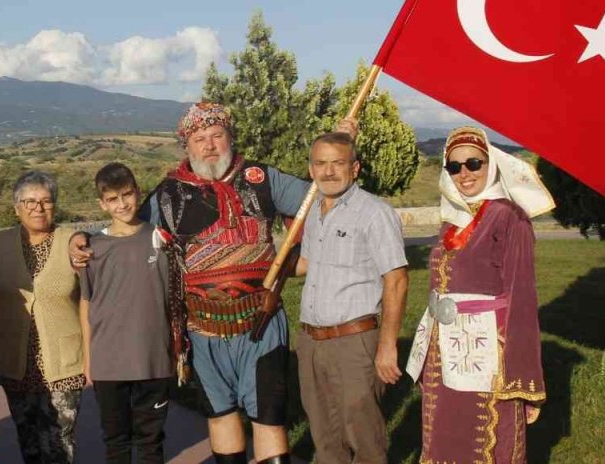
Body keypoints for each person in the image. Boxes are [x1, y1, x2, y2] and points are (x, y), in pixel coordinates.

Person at [71, 102, 354, 464]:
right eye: (199, 139)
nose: (209, 146)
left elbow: (320, 201)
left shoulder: (262, 178)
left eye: (217, 136)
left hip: (261, 322)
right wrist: (78, 238)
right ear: (187, 146)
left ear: (230, 139)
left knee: (268, 417)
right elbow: (125, 227)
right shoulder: (169, 194)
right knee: (220, 413)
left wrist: (341, 146)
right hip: (202, 330)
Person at [405, 127, 552, 464]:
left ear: (492, 164)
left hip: (487, 355)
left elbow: (522, 299)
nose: (465, 174)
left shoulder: (510, 218)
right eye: (454, 167)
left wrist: (522, 375)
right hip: (444, 353)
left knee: (485, 443)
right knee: (444, 442)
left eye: (474, 163)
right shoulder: (451, 221)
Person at [293, 132, 408, 464]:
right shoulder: (315, 211)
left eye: (337, 163)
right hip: (312, 341)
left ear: (354, 168)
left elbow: (397, 279)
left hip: (354, 341)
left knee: (364, 437)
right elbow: (307, 264)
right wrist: (260, 266)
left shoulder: (374, 212)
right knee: (325, 438)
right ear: (311, 168)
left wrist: (387, 346)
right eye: (321, 163)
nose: (328, 171)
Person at [0, 171, 85, 464]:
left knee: (59, 444)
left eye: (46, 201)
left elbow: (95, 291)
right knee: (29, 443)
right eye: (29, 201)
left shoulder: (72, 242)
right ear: (16, 207)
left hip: (63, 364)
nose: (38, 207)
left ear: (55, 205)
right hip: (15, 363)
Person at [78, 163, 186, 464]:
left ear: (138, 193)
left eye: (127, 194)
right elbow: (86, 304)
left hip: (153, 359)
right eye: (113, 199)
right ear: (102, 203)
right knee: (116, 442)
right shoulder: (92, 249)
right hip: (108, 362)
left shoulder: (162, 241)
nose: (122, 204)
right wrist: (88, 358)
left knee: (151, 441)